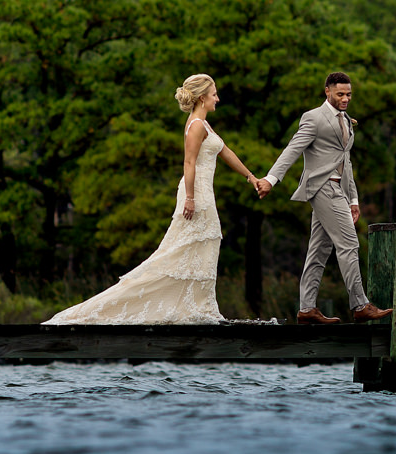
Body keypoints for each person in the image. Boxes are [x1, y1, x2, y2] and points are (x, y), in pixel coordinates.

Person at [45, 74, 263, 325]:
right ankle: (121, 307)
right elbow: (189, 163)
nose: (218, 99)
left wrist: (251, 177)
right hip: (196, 193)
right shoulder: (196, 125)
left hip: (204, 193)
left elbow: (226, 152)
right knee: (180, 250)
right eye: (214, 94)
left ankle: (199, 306)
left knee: (203, 246)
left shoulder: (205, 125)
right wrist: (190, 198)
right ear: (202, 98)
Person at [256, 72, 391, 324]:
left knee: (319, 249)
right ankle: (360, 305)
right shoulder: (314, 118)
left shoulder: (347, 120)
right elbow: (292, 149)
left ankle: (307, 309)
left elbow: (346, 161)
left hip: (339, 190)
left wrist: (353, 200)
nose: (345, 99)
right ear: (327, 91)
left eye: (348, 94)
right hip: (323, 187)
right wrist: (271, 179)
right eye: (340, 94)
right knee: (349, 244)